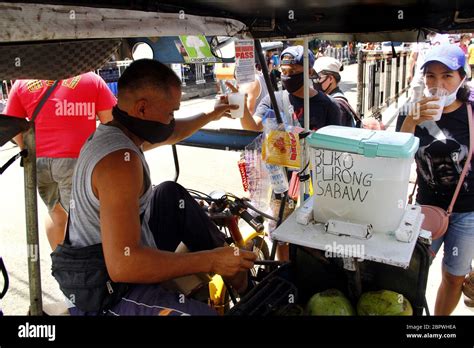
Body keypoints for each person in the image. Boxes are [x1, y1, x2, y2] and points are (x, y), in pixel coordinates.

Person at [64, 59, 256, 316]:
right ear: (142, 109)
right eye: (170, 112)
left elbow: (173, 132)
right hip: (107, 289)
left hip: (119, 257)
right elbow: (123, 265)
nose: (171, 119)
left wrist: (212, 114)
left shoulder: (120, 133)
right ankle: (233, 273)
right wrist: (211, 259)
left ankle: (244, 285)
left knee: (168, 193)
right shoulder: (119, 163)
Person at [229, 46, 342, 261]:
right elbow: (252, 126)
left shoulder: (328, 106)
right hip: (281, 183)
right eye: (284, 71)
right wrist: (241, 107)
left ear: (309, 72)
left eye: (293, 71)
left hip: (315, 184)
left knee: (313, 233)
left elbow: (335, 150)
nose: (287, 76)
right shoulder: (275, 99)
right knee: (280, 234)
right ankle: (285, 269)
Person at [399, 44, 474, 315]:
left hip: (467, 211)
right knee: (411, 271)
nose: (437, 84)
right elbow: (396, 158)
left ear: (462, 78)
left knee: (454, 276)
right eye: (430, 76)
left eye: (447, 76)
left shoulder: (471, 112)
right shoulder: (411, 110)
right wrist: (411, 120)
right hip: (426, 208)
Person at [4, 72, 116, 250]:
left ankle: (61, 266)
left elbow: (9, 124)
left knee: (56, 214)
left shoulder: (23, 81)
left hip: (38, 163)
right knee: (83, 220)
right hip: (76, 161)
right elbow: (110, 123)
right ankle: (82, 271)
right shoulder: (91, 79)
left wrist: (26, 150)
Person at [313, 56, 358, 127]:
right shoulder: (329, 98)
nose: (315, 82)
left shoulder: (336, 104)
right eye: (313, 78)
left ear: (330, 78)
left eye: (318, 78)